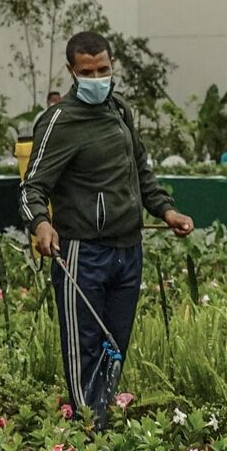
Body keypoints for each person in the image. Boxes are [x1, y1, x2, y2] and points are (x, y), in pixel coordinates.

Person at [21, 31, 195, 428]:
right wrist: (41, 222)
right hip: (84, 253)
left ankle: (103, 420)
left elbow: (140, 171)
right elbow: (31, 186)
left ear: (112, 65)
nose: (97, 77)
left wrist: (165, 210)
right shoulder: (60, 121)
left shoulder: (119, 110)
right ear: (72, 71)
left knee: (115, 345)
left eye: (103, 69)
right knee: (84, 346)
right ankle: (89, 430)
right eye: (88, 71)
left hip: (128, 249)